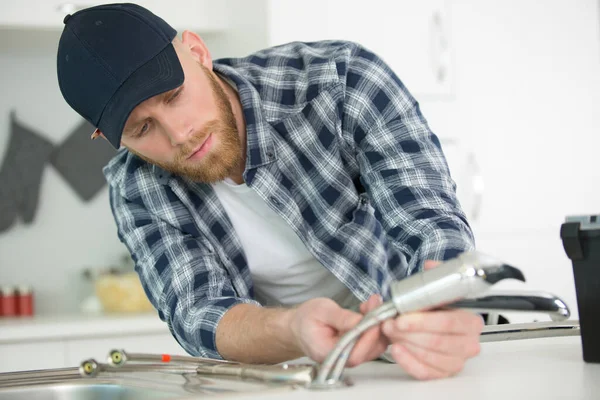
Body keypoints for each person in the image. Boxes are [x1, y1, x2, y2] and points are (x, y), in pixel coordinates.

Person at [56, 3, 483, 380]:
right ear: (109, 138)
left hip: (414, 340)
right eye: (143, 129)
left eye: (174, 95)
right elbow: (199, 313)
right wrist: (294, 328)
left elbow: (430, 221)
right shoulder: (136, 189)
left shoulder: (341, 80)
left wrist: (436, 308)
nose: (180, 135)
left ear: (198, 52)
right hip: (292, 370)